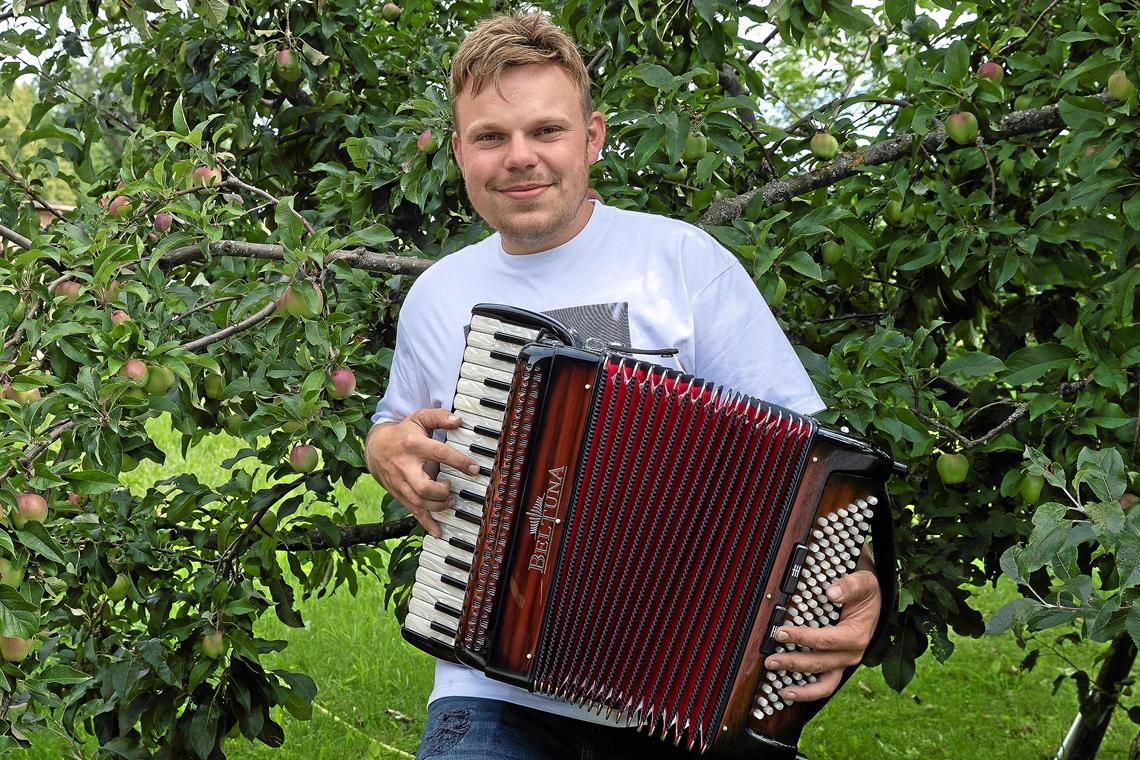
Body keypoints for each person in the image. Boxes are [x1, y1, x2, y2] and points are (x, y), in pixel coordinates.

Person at [365, 12, 883, 760]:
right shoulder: (439, 294)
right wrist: (384, 444)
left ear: (592, 138)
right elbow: (395, 422)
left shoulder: (682, 260)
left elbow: (811, 473)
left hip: (687, 680)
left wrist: (858, 584)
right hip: (490, 685)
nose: (520, 158)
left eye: (546, 131)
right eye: (489, 137)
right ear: (458, 151)